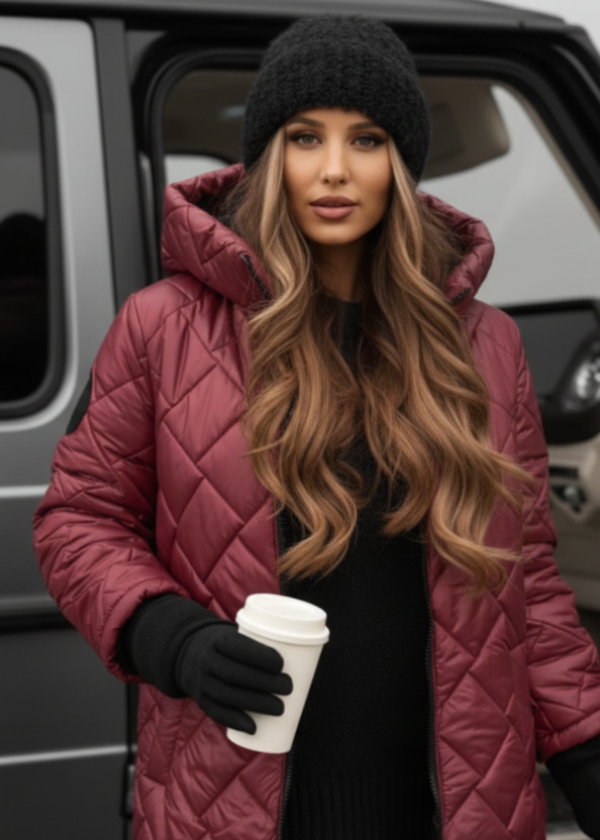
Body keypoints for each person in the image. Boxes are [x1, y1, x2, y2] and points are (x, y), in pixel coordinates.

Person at [32, 14, 600, 840]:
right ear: (268, 159)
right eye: (305, 138)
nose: (334, 170)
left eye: (367, 140)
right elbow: (77, 521)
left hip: (453, 808)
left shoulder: (486, 343)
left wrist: (585, 746)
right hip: (233, 807)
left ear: (401, 165)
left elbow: (529, 581)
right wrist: (171, 637)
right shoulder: (160, 327)